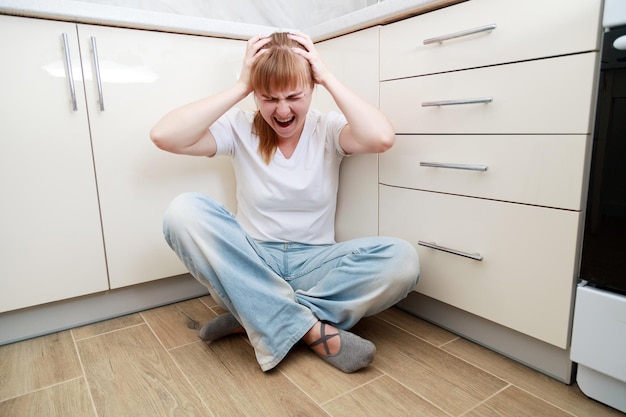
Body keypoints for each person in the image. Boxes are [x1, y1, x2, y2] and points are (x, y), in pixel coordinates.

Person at [150, 32, 419, 373]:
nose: (282, 109)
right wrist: (241, 85)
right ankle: (306, 328)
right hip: (250, 264)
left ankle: (253, 316)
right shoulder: (239, 127)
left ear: (312, 88)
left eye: (294, 96)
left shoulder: (328, 128)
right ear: (256, 96)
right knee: (183, 210)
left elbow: (381, 138)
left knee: (402, 260)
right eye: (268, 98)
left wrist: (327, 76)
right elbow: (165, 135)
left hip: (313, 263)